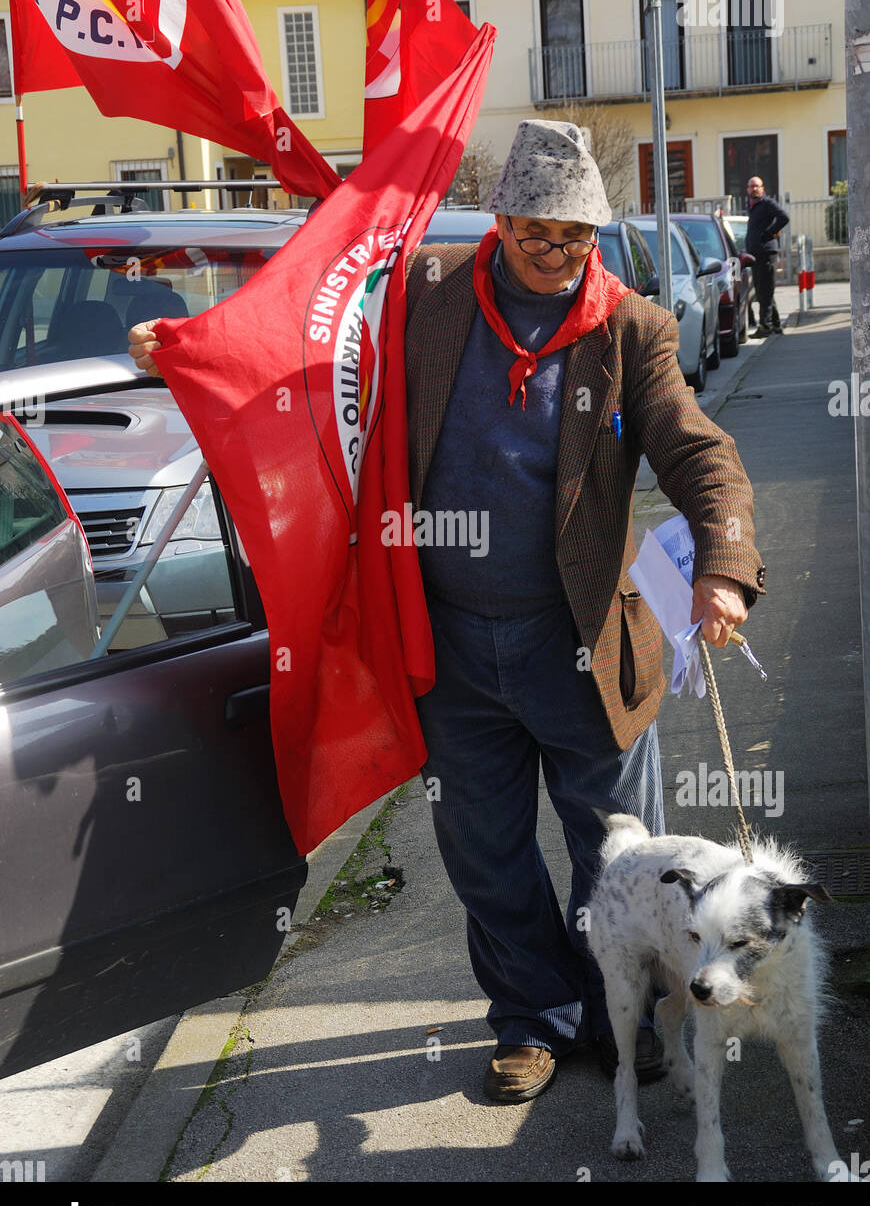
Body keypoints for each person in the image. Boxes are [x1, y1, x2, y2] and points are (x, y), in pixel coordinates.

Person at [128, 120, 766, 1105]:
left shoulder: (629, 327)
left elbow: (695, 448)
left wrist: (722, 565)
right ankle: (533, 1019)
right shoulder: (427, 290)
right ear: (502, 221)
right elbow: (303, 334)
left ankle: (622, 1015)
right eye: (539, 233)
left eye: (577, 236)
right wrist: (186, 346)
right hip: (453, 644)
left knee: (620, 855)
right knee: (485, 851)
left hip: (583, 642)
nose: (558, 254)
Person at [745, 174, 789, 337]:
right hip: (756, 254)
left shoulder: (767, 203)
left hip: (766, 253)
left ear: (762, 189)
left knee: (764, 291)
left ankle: (765, 327)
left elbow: (784, 217)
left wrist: (769, 233)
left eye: (757, 186)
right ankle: (776, 325)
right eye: (751, 186)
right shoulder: (753, 205)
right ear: (747, 189)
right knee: (764, 290)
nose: (754, 189)